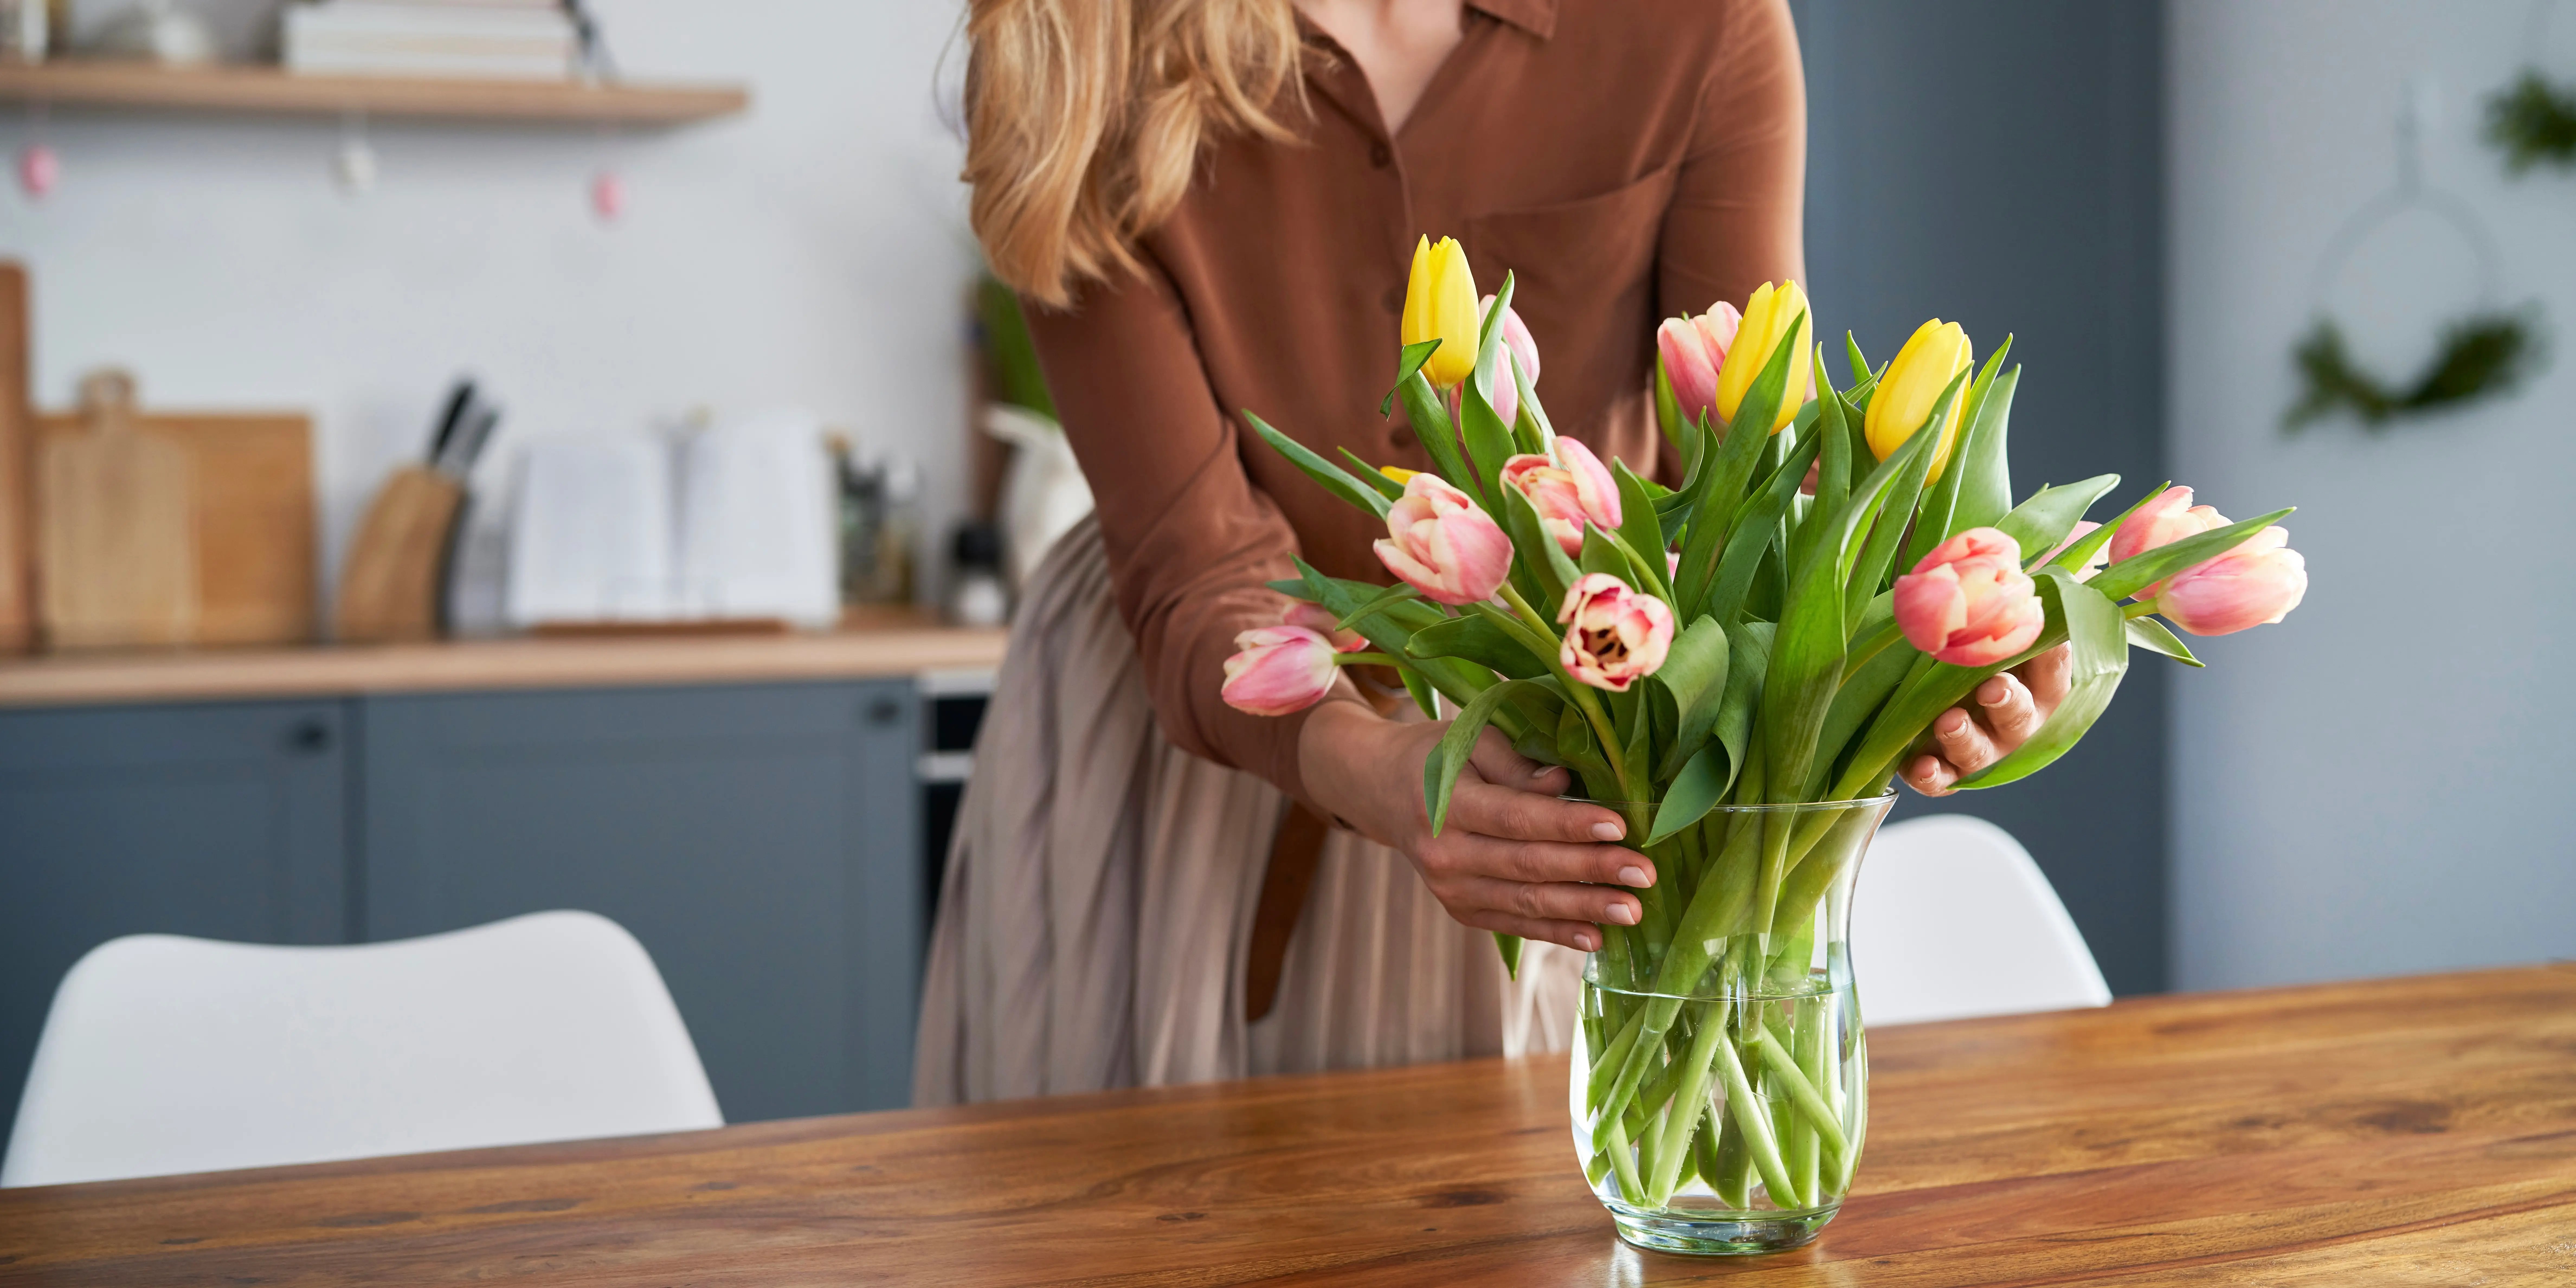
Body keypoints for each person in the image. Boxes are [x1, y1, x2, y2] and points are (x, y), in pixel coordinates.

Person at [913, 0, 2069, 1104]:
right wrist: (1379, 769)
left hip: (1565, 744)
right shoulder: (1071, 51)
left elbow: (1762, 468)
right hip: (1194, 749)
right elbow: (1197, 565)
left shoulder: (1694, 23)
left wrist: (1934, 639)